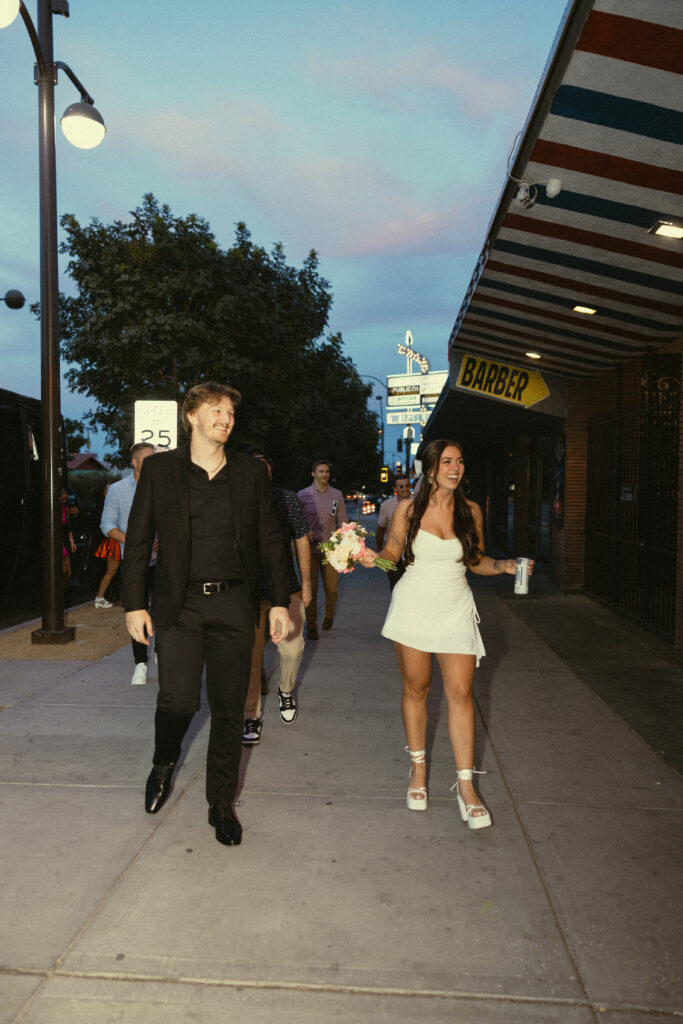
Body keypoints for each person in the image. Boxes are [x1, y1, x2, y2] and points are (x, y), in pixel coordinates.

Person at [122, 382, 290, 847]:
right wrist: (134, 604)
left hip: (234, 604)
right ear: (191, 416)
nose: (226, 418)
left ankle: (221, 802)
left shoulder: (250, 473)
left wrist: (280, 599)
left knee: (229, 708)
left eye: (231, 412)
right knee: (178, 701)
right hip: (180, 604)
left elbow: (270, 538)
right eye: (216, 410)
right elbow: (138, 539)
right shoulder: (160, 470)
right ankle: (164, 762)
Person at [362, 439, 530, 831]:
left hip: (455, 607)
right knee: (416, 688)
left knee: (460, 694)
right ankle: (418, 770)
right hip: (413, 606)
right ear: (430, 468)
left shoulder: (471, 511)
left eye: (460, 461)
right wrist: (367, 558)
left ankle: (466, 787)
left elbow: (475, 561)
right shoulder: (407, 509)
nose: (455, 468)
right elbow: (391, 555)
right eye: (447, 461)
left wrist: (502, 566)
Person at [242, 450, 312, 746]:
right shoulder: (236, 499)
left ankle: (286, 689)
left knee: (292, 649)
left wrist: (306, 582)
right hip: (247, 591)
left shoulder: (286, 499)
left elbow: (301, 539)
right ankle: (251, 715)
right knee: (250, 656)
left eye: (265, 470)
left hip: (285, 587)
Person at [101, 442, 156, 684]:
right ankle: (140, 663)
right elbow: (107, 525)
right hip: (134, 560)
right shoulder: (118, 490)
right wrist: (133, 541)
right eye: (147, 458)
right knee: (137, 608)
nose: (153, 463)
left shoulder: (165, 486)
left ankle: (161, 651)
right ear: (134, 462)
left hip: (163, 560)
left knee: (165, 609)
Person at [297, 459, 348, 639]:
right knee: (311, 588)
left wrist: (344, 543)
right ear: (313, 474)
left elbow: (343, 522)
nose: (324, 474)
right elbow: (296, 521)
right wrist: (305, 531)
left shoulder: (336, 495)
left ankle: (329, 614)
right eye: (321, 471)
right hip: (309, 550)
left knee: (332, 589)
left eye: (327, 471)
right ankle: (311, 626)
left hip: (330, 550)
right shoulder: (303, 495)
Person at [376, 473, 411, 591]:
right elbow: (380, 529)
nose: (405, 489)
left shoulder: (417, 502)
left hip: (412, 553)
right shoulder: (386, 505)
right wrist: (379, 549)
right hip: (392, 551)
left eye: (407, 486)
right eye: (401, 487)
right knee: (396, 587)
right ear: (395, 489)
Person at [93, 483, 121, 608]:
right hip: (114, 541)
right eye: (106, 490)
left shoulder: (114, 505)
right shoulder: (107, 507)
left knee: (114, 571)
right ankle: (99, 598)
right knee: (111, 571)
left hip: (118, 540)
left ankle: (100, 598)